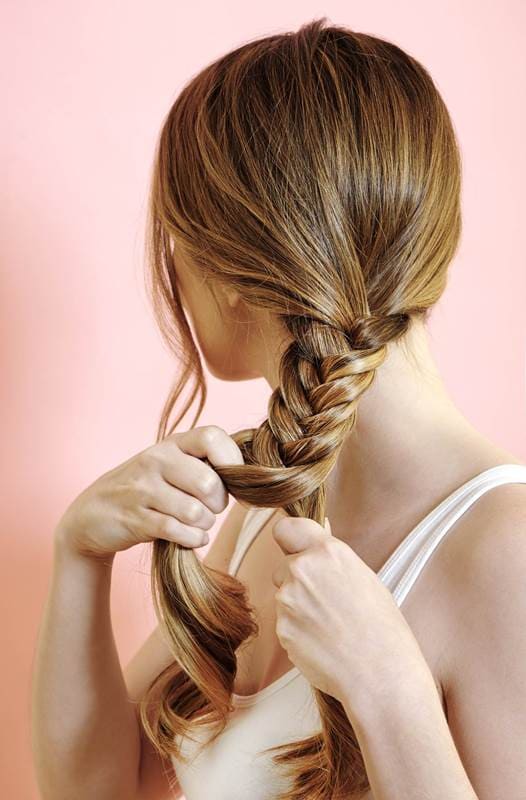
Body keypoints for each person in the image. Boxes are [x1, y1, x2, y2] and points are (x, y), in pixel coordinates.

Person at [31, 17, 526, 800]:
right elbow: (94, 788)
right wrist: (79, 557)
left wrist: (392, 698)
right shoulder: (268, 502)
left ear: (228, 270)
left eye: (176, 243)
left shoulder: (507, 551)